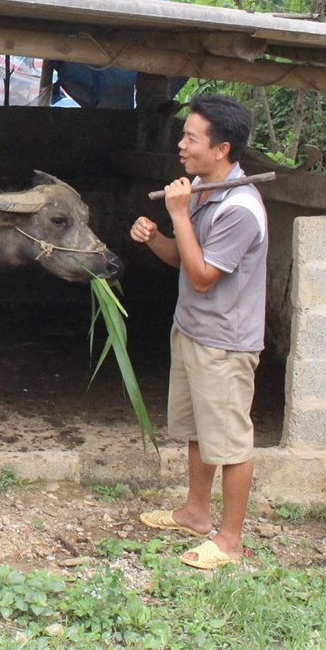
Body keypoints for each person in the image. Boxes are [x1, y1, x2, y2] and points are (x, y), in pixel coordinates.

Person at [130, 93, 267, 570]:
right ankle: (194, 512)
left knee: (229, 440)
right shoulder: (206, 190)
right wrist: (158, 239)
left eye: (191, 137)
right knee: (197, 431)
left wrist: (180, 215)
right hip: (192, 330)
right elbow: (184, 264)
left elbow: (206, 276)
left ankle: (229, 541)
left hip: (224, 343)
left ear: (222, 148)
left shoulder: (239, 210)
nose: (181, 146)